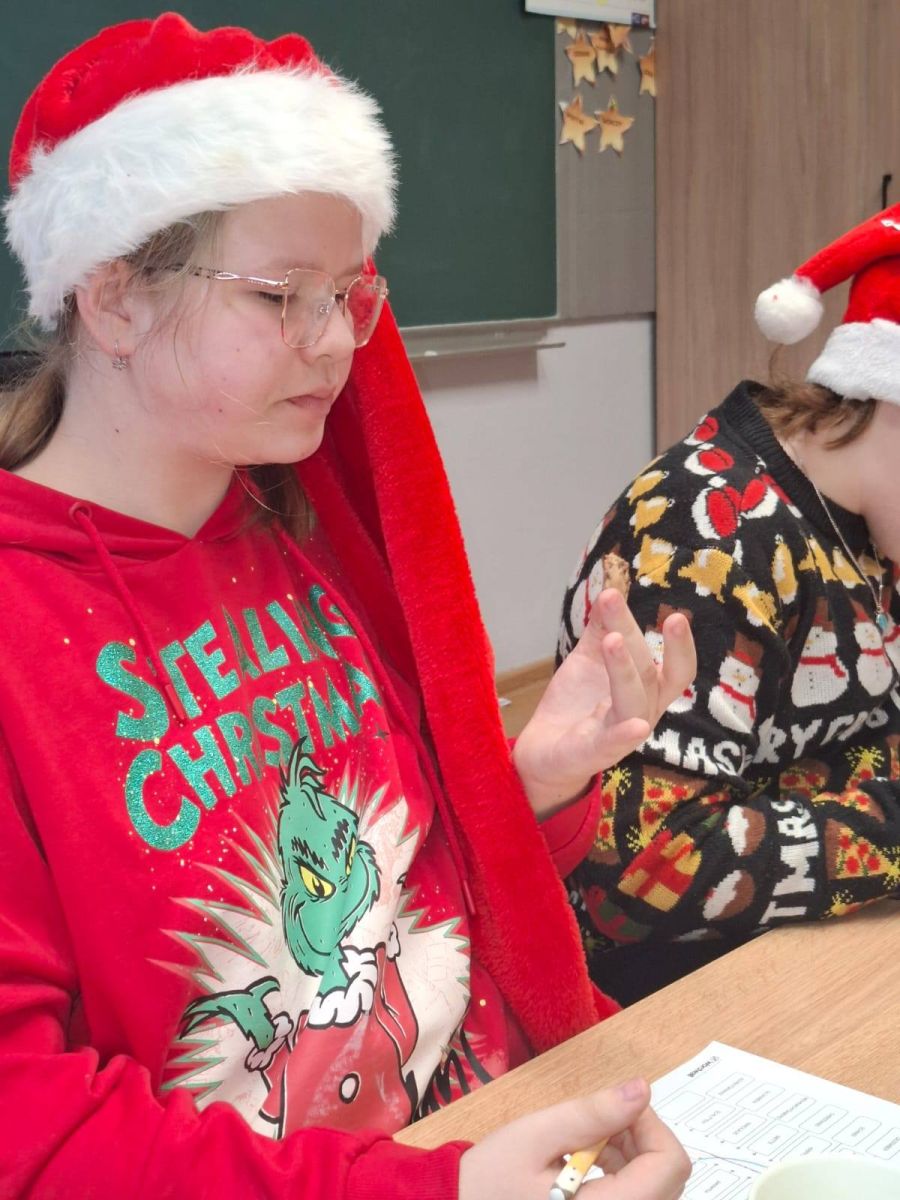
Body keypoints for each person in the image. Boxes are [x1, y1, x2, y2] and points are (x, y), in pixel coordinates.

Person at [0, 14, 694, 1199]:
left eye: (349, 295)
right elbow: (34, 1132)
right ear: (112, 301)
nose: (335, 344)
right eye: (282, 296)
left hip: (497, 1123)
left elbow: (412, 902)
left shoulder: (303, 531)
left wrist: (531, 790)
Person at [558, 205, 900, 1005]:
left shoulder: (870, 511)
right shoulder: (706, 534)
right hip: (678, 988)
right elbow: (646, 866)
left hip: (812, 938)